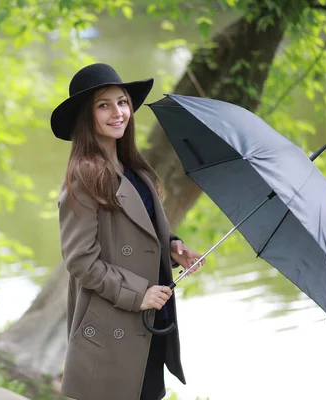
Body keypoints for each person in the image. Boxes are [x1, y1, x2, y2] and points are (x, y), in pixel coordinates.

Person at [52, 62, 205, 400]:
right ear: (85, 117)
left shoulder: (134, 169)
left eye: (121, 102)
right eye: (103, 105)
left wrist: (173, 247)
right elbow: (80, 262)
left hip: (147, 322)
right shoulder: (84, 177)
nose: (118, 112)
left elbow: (139, 230)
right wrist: (139, 295)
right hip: (114, 325)